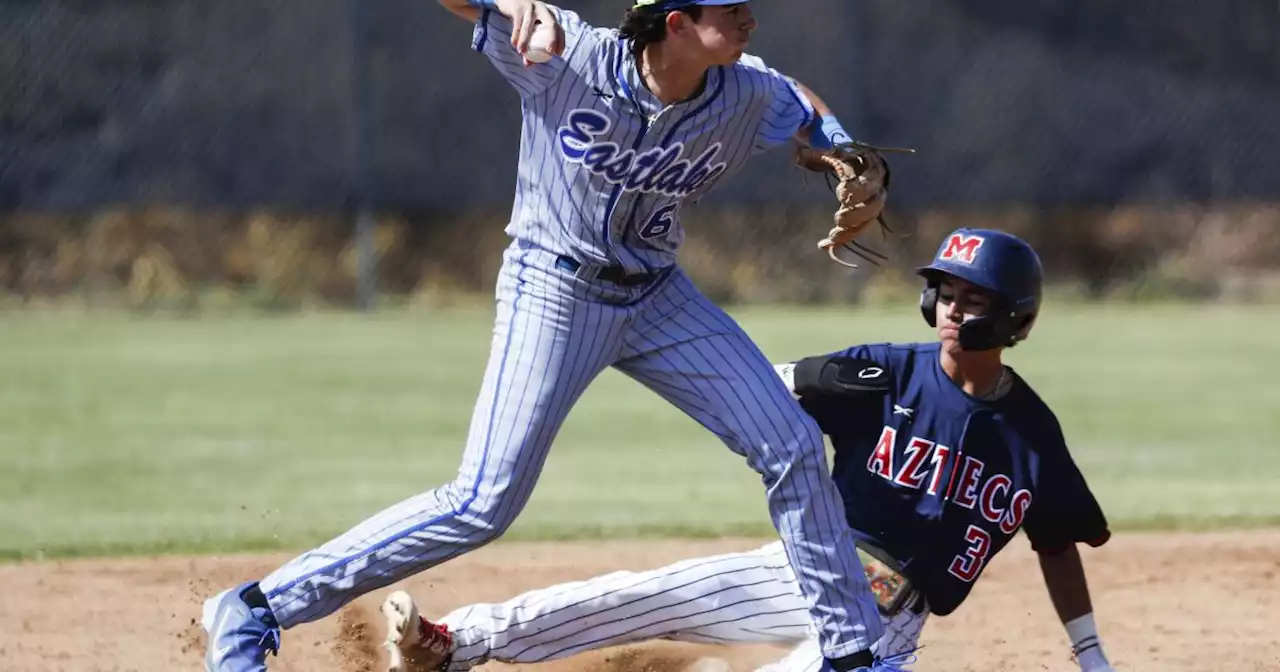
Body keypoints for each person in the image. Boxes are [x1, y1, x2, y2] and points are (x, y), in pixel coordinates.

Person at [202, 1, 908, 670]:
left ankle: (850, 655)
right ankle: (256, 607)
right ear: (677, 22)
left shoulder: (743, 92)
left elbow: (799, 105)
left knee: (789, 444)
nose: (749, 15)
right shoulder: (568, 55)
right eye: (728, 8)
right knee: (484, 502)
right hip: (555, 286)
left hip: (659, 296)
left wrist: (841, 150)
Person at [376, 228, 1119, 672]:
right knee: (640, 595)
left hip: (887, 621)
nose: (954, 310)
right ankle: (452, 645)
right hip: (807, 563)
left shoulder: (1031, 435)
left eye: (975, 298)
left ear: (1014, 317)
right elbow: (768, 382)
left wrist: (1090, 656)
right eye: (947, 293)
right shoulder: (884, 372)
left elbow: (1056, 542)